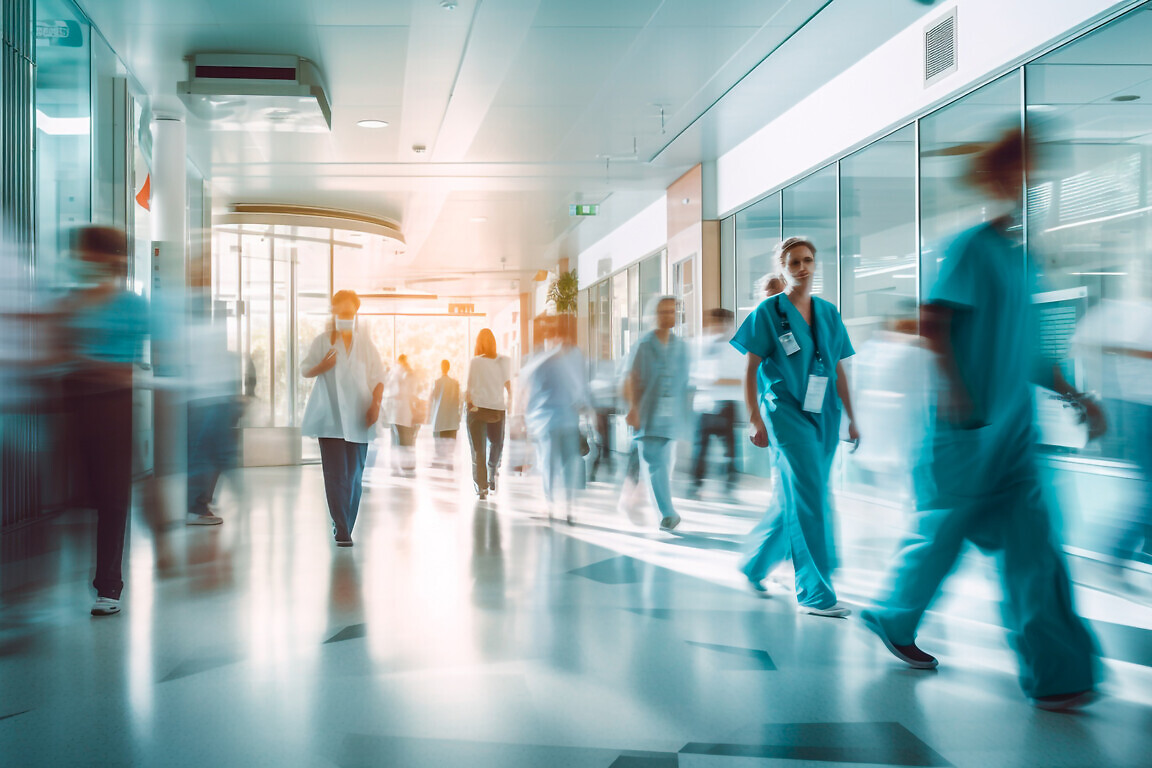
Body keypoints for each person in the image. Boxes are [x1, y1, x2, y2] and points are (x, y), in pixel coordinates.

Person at [859, 128, 1101, 711]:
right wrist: (956, 397)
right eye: (1016, 172)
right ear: (995, 179)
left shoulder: (1024, 263)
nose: (1025, 183)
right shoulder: (968, 246)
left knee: (1034, 547)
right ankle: (895, 615)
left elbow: (1028, 351)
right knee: (942, 535)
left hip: (1014, 433)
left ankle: (1060, 673)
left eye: (1031, 173)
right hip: (966, 428)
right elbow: (934, 322)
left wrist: (1075, 394)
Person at [731, 236, 859, 618]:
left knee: (798, 494)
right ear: (783, 268)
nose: (802, 268)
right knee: (809, 496)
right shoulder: (768, 312)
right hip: (784, 413)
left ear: (815, 264)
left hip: (825, 413)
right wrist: (754, 418)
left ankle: (755, 563)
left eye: (807, 260)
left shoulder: (829, 313)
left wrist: (852, 415)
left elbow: (838, 368)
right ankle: (814, 592)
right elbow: (751, 369)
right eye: (794, 263)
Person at [60, 226, 150, 616]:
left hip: (113, 406)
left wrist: (90, 362)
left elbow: (129, 368)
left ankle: (108, 586)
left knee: (112, 499)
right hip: (73, 402)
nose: (84, 262)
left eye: (89, 255)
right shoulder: (69, 302)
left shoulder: (130, 304)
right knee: (79, 494)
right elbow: (56, 348)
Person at [300, 290, 385, 547]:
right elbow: (305, 369)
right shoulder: (323, 341)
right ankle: (342, 527)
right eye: (341, 312)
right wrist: (321, 368)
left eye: (350, 313)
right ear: (334, 312)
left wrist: (376, 406)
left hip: (361, 417)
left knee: (355, 476)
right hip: (331, 417)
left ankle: (346, 521)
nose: (345, 316)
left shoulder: (366, 344)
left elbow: (378, 377)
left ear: (356, 314)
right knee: (336, 474)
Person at [623, 296, 691, 531]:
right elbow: (631, 379)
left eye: (672, 311)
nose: (668, 316)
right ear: (655, 315)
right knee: (655, 464)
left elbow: (685, 384)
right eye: (663, 311)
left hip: (671, 417)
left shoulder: (681, 346)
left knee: (660, 464)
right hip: (648, 415)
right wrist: (633, 408)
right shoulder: (644, 345)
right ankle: (667, 513)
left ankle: (633, 501)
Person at [524, 314, 592, 524]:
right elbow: (582, 388)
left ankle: (551, 506)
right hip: (569, 420)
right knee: (570, 465)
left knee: (548, 466)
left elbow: (533, 391)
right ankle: (570, 508)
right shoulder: (576, 355)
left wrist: (526, 419)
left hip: (548, 421)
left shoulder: (544, 359)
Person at [691, 308, 744, 496]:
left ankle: (729, 483)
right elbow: (693, 374)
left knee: (729, 447)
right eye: (713, 322)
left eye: (719, 322)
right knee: (700, 447)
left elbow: (743, 377)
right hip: (705, 404)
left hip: (727, 404)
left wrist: (716, 380)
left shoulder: (736, 347)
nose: (715, 326)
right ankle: (696, 483)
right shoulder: (703, 344)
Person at [465, 328, 511, 499]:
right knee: (493, 446)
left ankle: (487, 479)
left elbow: (508, 385)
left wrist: (468, 404)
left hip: (486, 409)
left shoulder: (501, 361)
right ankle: (484, 483)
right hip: (488, 408)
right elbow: (469, 388)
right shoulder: (477, 362)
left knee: (480, 450)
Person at [385, 353, 419, 477]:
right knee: (404, 440)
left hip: (398, 413)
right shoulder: (405, 374)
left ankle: (400, 465)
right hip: (402, 413)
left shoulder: (398, 374)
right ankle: (404, 465)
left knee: (399, 440)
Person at [428, 359, 462, 469]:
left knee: (439, 443)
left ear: (441, 367)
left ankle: (439, 461)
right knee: (450, 443)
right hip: (451, 419)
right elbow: (459, 400)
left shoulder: (437, 382)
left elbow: (432, 398)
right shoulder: (455, 383)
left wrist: (428, 415)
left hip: (439, 418)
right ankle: (449, 463)